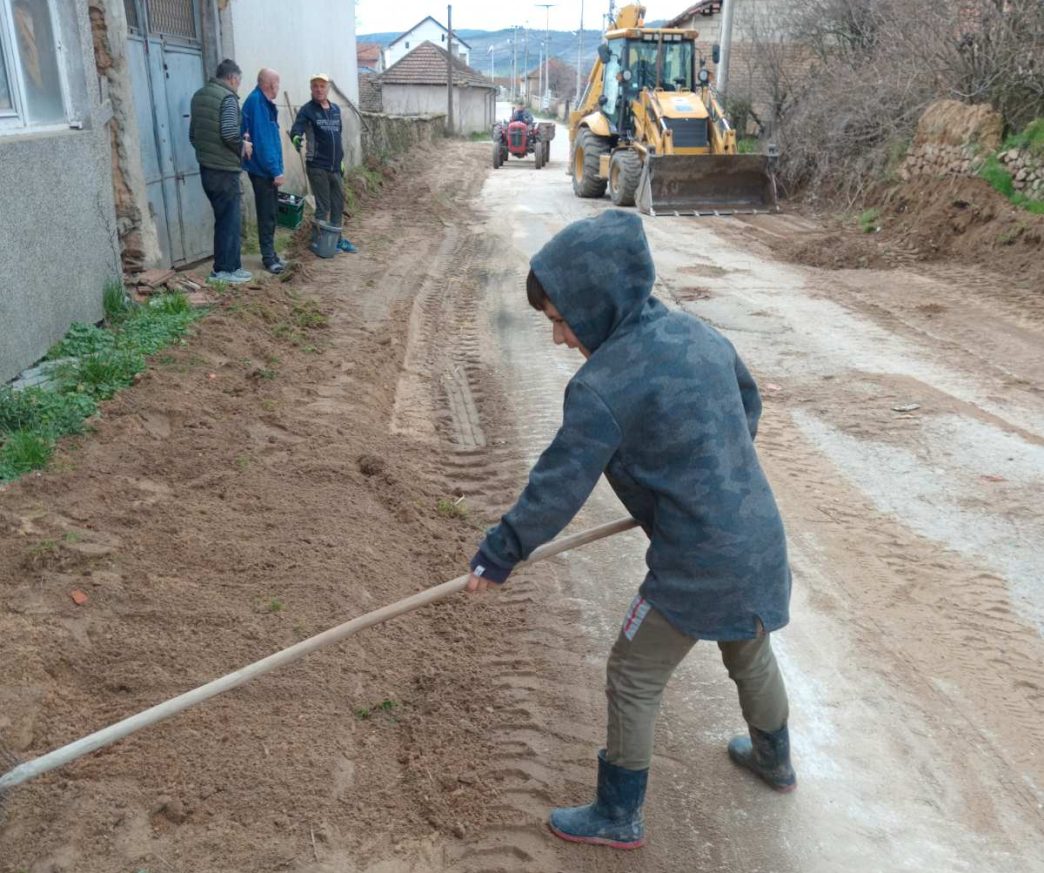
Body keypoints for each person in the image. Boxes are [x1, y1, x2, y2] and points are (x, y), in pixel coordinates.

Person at [465, 210, 796, 850]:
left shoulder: (602, 386)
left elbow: (557, 486)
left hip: (696, 566)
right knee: (749, 647)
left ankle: (618, 814)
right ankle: (774, 760)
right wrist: (704, 474)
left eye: (561, 320)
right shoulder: (699, 334)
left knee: (632, 673)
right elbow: (747, 405)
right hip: (760, 539)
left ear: (597, 303)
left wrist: (499, 553)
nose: (559, 338)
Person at [189, 58, 252, 285]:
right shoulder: (227, 98)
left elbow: (193, 136)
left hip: (207, 168)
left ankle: (232, 267)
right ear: (232, 78)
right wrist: (243, 146)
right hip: (224, 170)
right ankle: (224, 271)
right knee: (229, 221)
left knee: (224, 219)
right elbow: (228, 132)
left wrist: (207, 155)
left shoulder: (199, 96)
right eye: (238, 83)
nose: (238, 87)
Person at [289, 73, 358, 254]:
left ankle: (337, 240)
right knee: (323, 206)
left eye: (322, 86)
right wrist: (296, 137)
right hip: (317, 165)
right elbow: (297, 128)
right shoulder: (307, 110)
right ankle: (319, 242)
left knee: (338, 204)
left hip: (335, 167)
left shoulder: (335, 109)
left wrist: (340, 161)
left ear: (327, 89)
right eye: (315, 86)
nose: (319, 89)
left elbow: (337, 136)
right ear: (311, 89)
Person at [241, 68, 286, 274]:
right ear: (270, 84)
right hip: (262, 170)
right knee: (266, 215)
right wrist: (276, 170)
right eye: (277, 83)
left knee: (271, 213)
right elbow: (264, 141)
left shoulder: (263, 102)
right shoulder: (257, 103)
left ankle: (272, 255)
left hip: (266, 169)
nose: (278, 87)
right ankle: (268, 258)